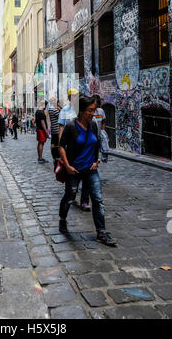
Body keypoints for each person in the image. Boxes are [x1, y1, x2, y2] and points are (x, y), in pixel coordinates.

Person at [58, 95, 116, 246]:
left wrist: (96, 161)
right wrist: (67, 165)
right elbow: (61, 147)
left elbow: (95, 144)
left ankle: (101, 232)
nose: (93, 113)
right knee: (70, 198)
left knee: (97, 200)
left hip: (91, 170)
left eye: (94, 110)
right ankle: (62, 219)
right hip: (74, 170)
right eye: (90, 110)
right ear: (82, 111)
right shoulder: (71, 126)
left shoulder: (94, 125)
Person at [58, 89, 90, 211]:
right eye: (72, 96)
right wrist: (61, 146)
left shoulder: (81, 111)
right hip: (70, 148)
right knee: (71, 174)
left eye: (77, 96)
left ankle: (85, 201)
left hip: (83, 147)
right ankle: (70, 195)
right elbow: (61, 128)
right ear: (69, 97)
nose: (74, 98)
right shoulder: (64, 111)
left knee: (86, 175)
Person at [92, 95, 109, 163]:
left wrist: (102, 130)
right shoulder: (90, 111)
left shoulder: (101, 111)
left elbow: (103, 121)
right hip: (91, 134)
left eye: (96, 103)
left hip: (98, 134)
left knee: (97, 149)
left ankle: (96, 161)